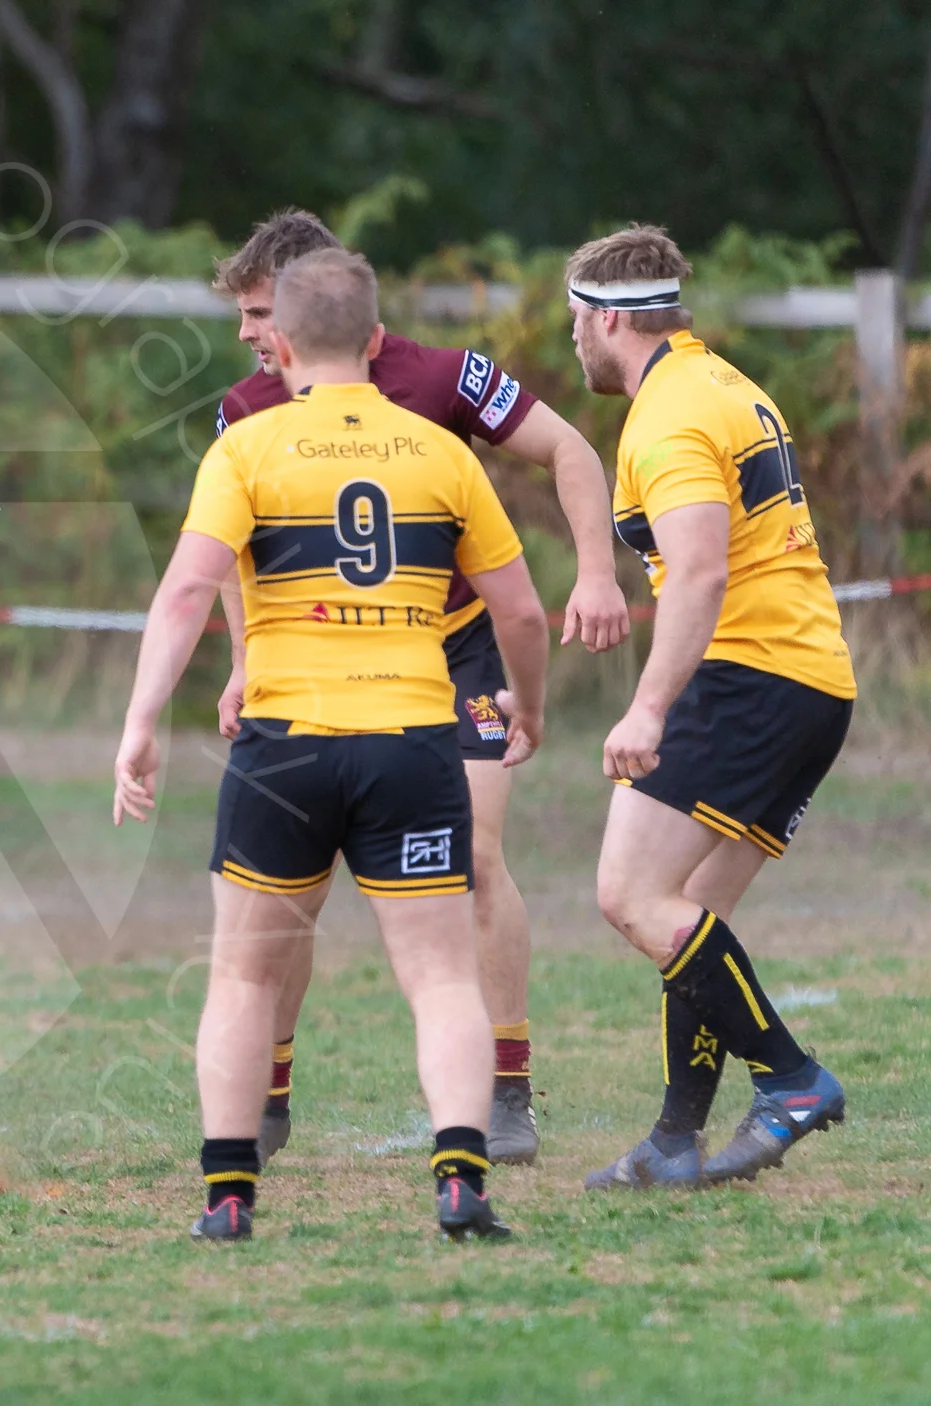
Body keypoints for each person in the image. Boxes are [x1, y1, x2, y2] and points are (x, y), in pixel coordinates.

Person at [113, 248, 550, 1242]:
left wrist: (140, 720)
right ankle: (459, 1179)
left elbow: (184, 591)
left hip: (287, 745)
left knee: (242, 974)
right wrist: (528, 706)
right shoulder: (441, 454)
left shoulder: (247, 447)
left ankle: (228, 1196)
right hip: (411, 738)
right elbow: (518, 610)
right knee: (439, 977)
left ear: (281, 340)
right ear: (374, 335)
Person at [210, 209, 630, 1166]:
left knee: (476, 858)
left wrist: (598, 574)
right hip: (317, 666)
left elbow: (571, 449)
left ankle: (508, 1092)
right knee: (290, 894)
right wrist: (244, 663)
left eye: (258, 311)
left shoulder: (441, 378)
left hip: (455, 655)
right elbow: (232, 557)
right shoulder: (244, 409)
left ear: (317, 304)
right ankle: (268, 1095)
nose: (244, 335)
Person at [567, 226, 853, 1190]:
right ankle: (674, 1140)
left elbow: (698, 570)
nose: (573, 339)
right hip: (810, 679)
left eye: (577, 320)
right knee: (686, 917)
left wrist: (648, 708)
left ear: (610, 317)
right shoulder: (726, 383)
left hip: (748, 676)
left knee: (630, 896)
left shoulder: (670, 413)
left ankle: (792, 1080)